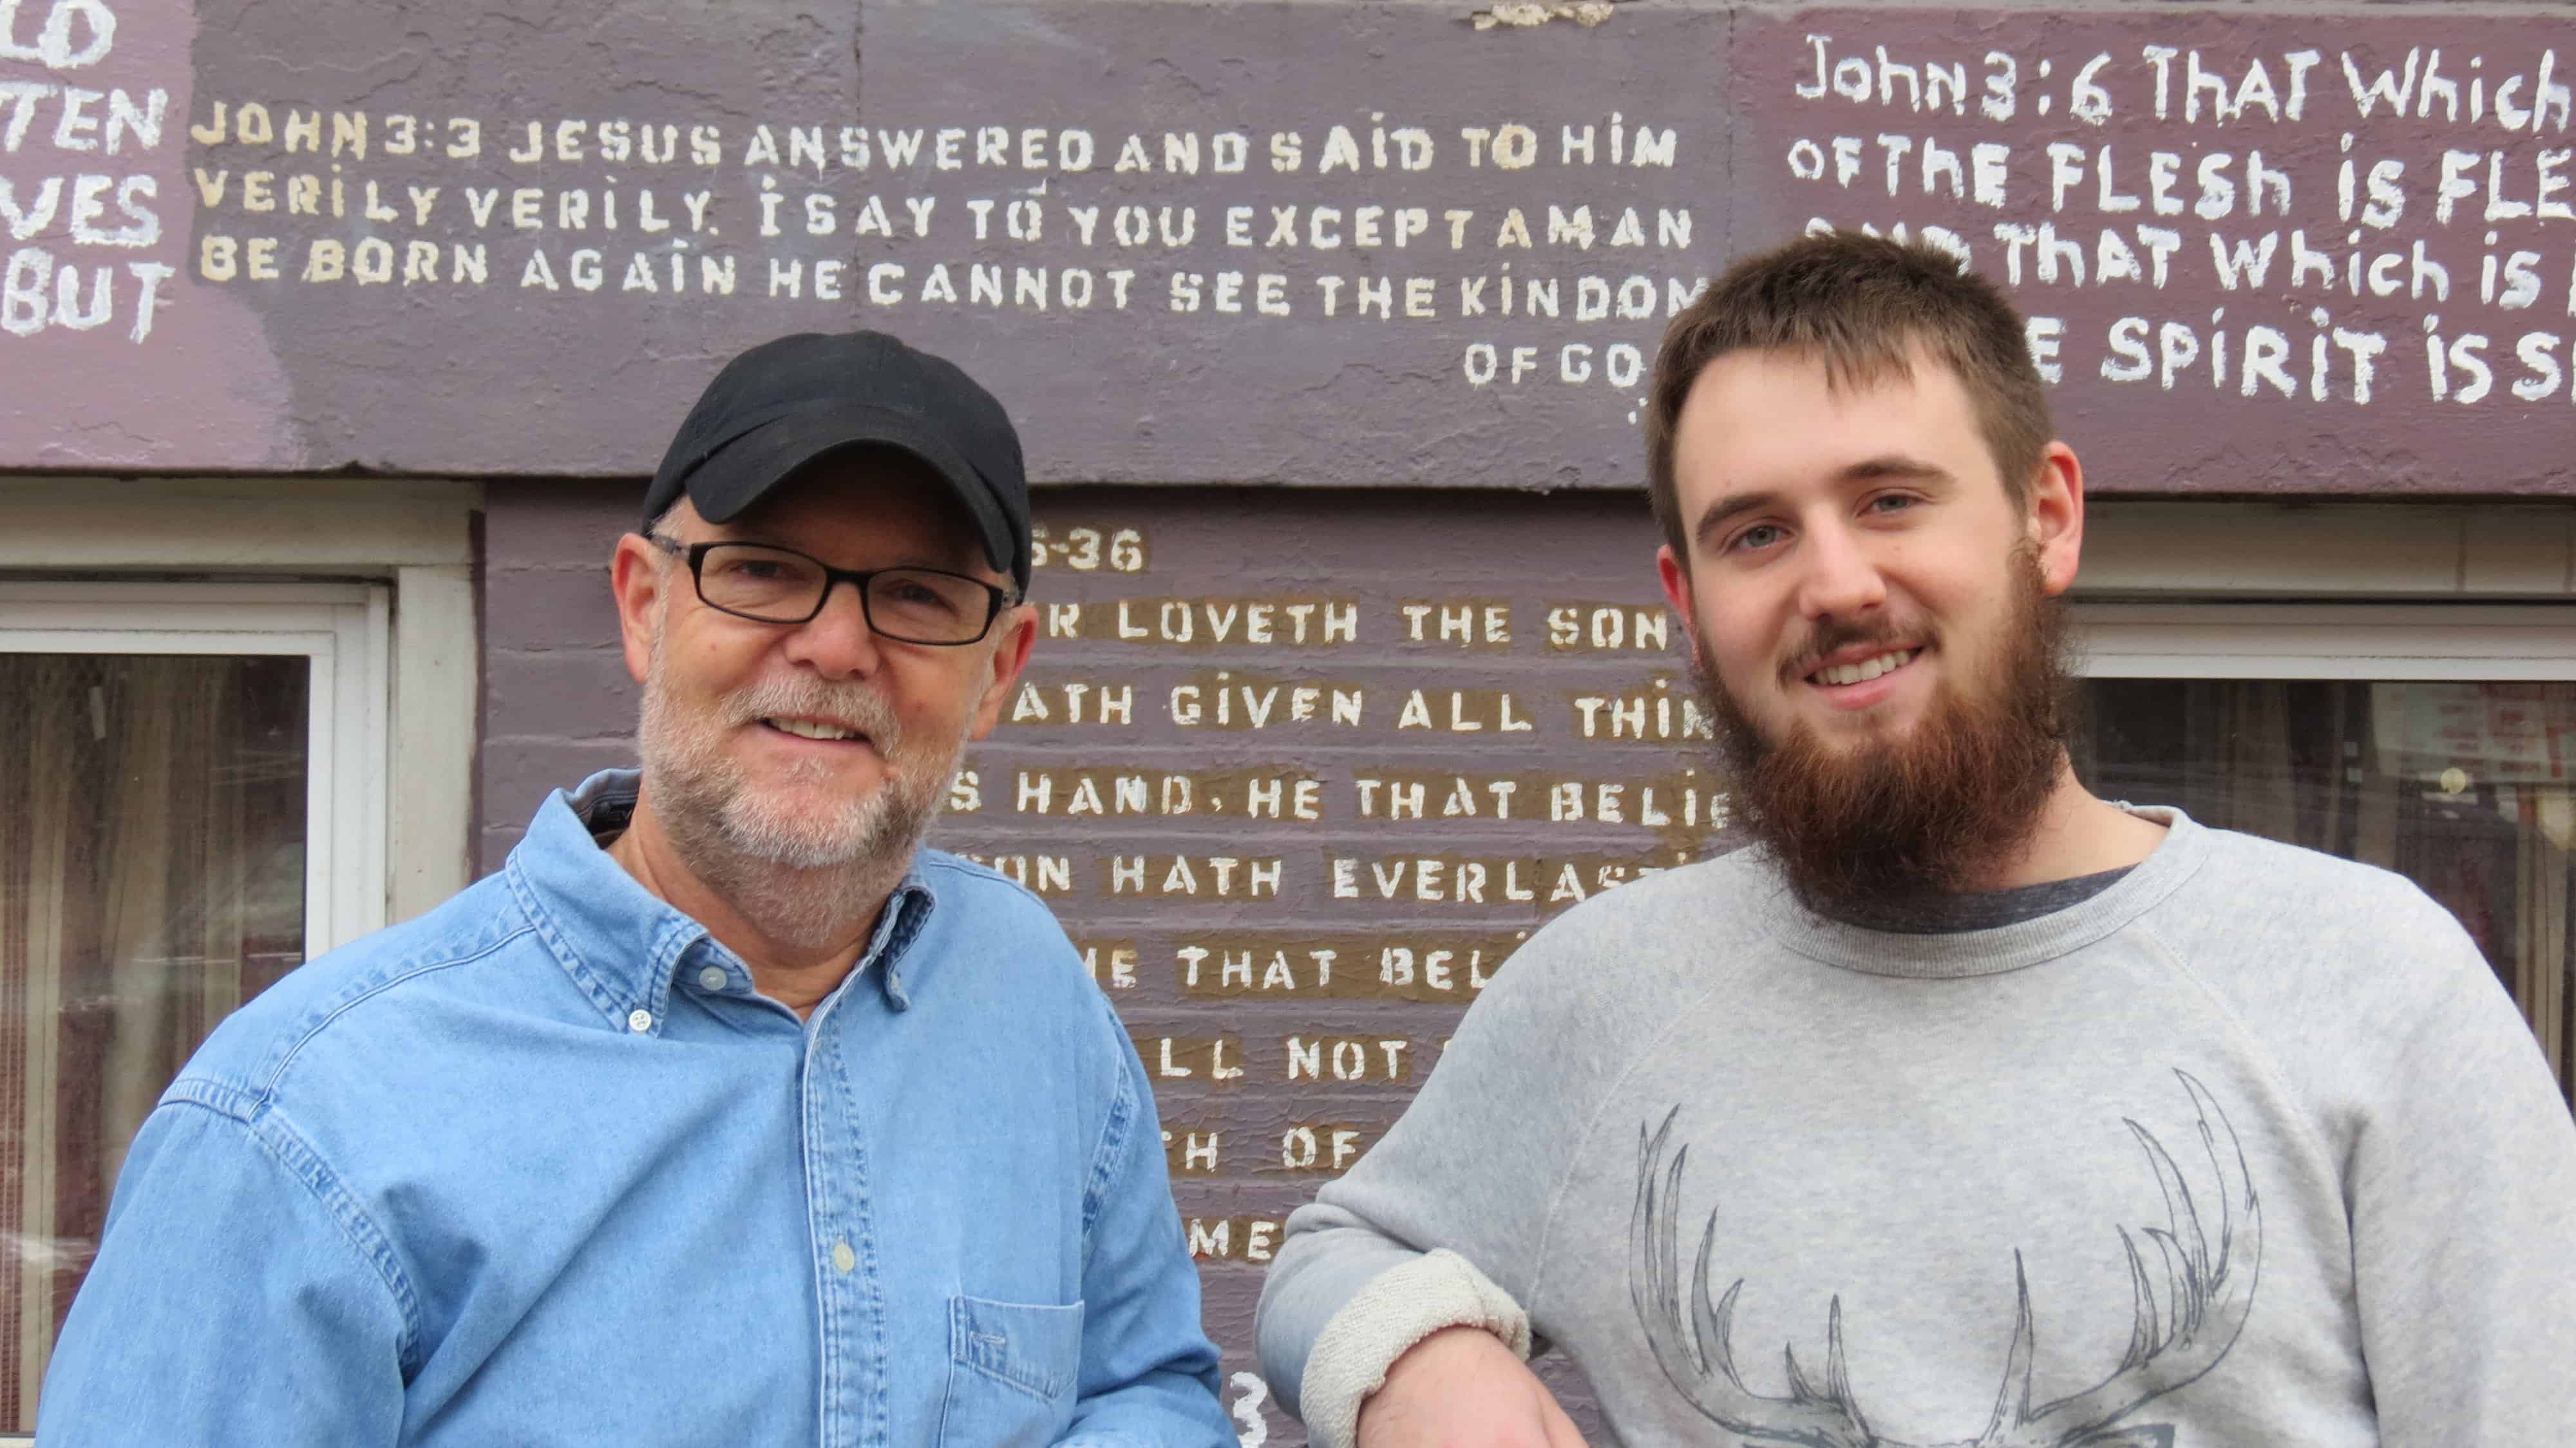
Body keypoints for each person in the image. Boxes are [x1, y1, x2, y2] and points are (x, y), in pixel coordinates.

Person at [1253, 234, 2576, 1447]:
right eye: (1756, 534)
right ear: (1686, 602)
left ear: (2045, 517)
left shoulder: (2376, 982)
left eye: (1890, 500)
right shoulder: (1604, 997)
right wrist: (1416, 1360)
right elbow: (1336, 1253)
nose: (1834, 585)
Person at [41, 330, 1233, 1446]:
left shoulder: (1031, 1001)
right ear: (644, 607)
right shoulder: (300, 1124)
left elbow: (1141, 1388)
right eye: (762, 570)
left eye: (919, 594)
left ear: (1000, 671)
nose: (834, 647)